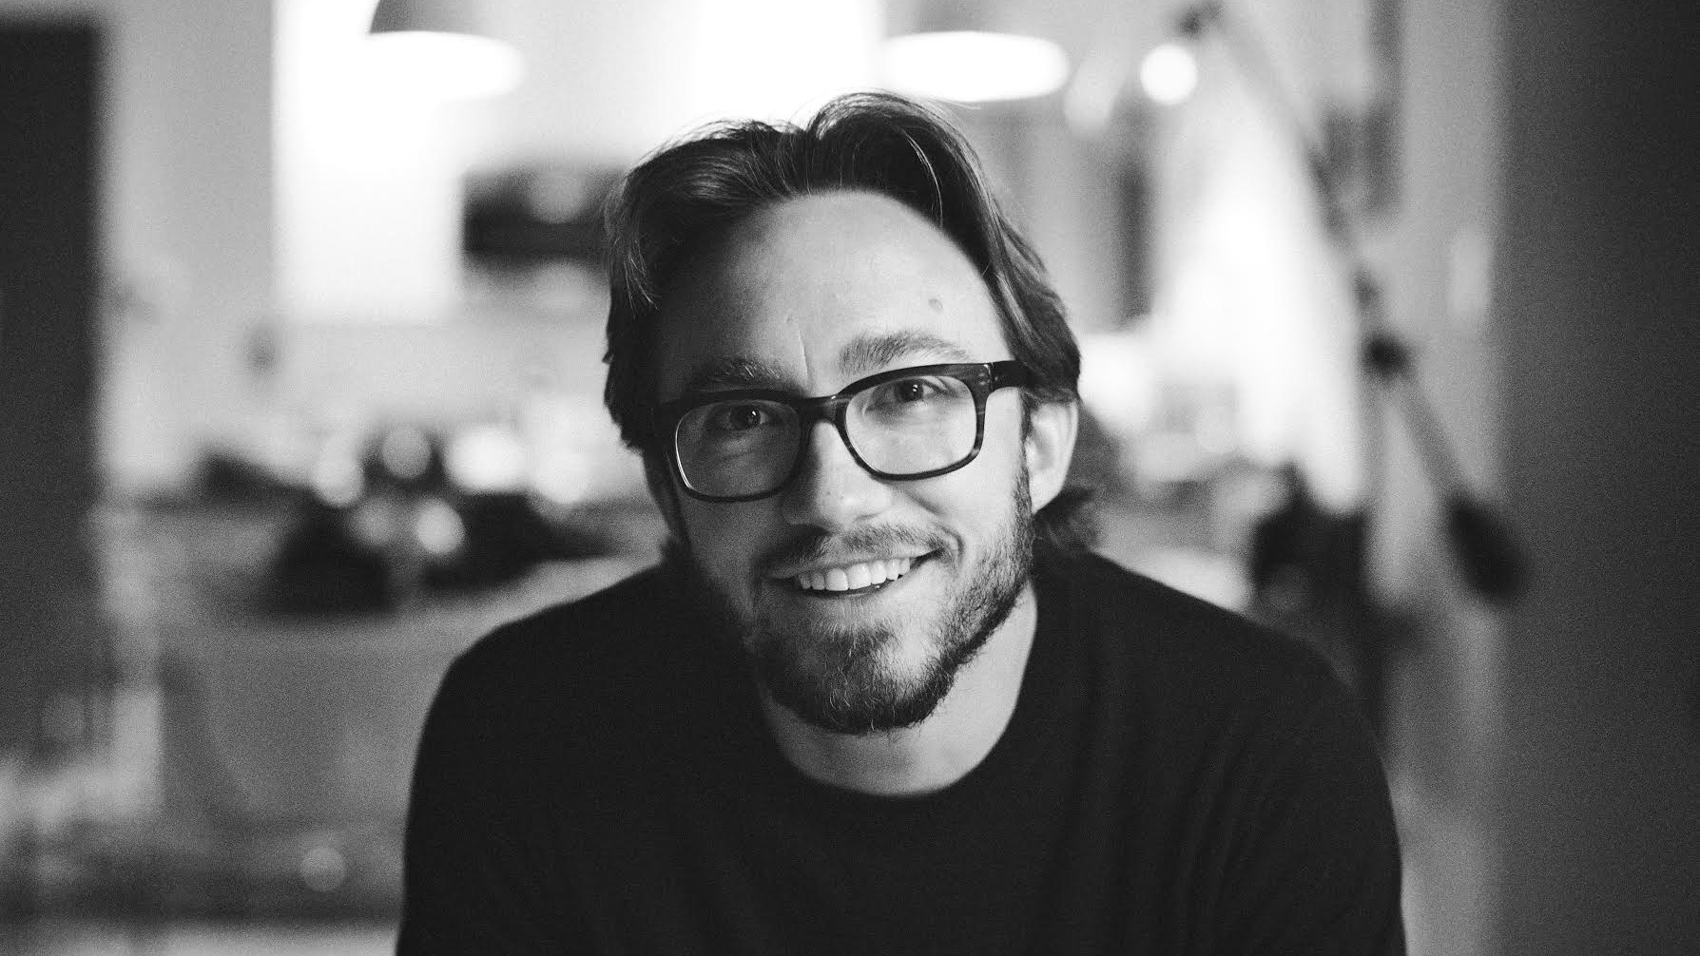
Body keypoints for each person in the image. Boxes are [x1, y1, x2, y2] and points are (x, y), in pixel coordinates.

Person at [397, 92, 1406, 954]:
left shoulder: (1262, 758)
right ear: (665, 486)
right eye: (742, 418)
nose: (832, 498)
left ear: (1040, 442)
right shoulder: (522, 739)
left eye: (911, 391)